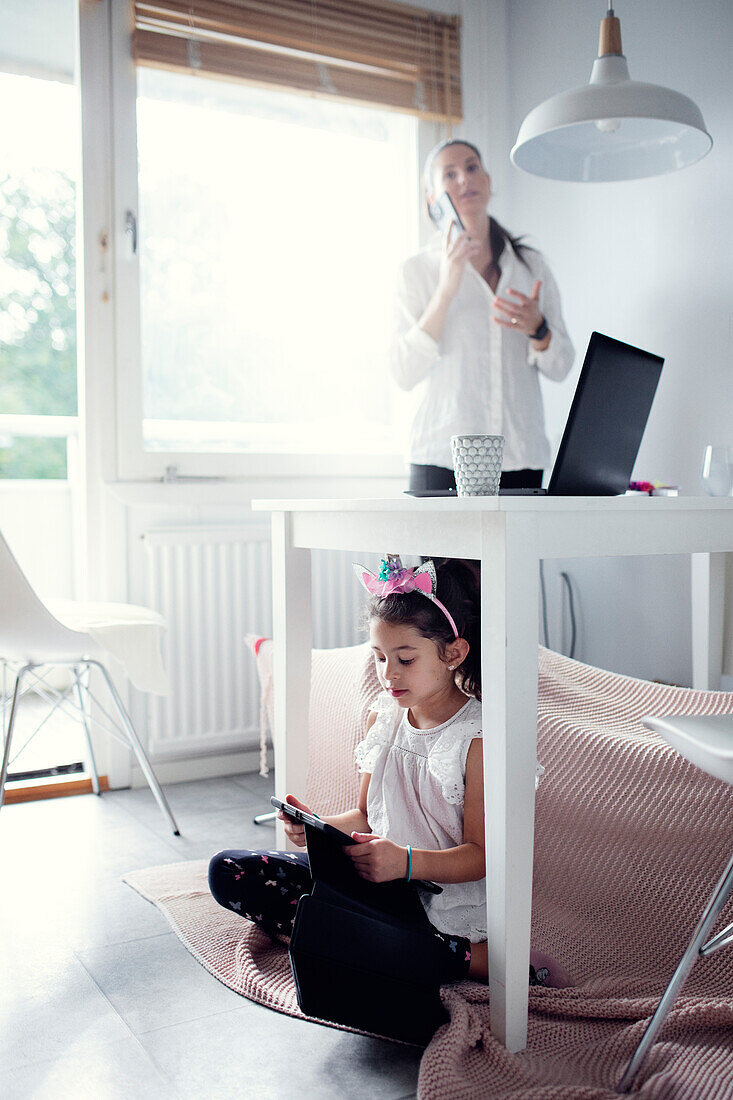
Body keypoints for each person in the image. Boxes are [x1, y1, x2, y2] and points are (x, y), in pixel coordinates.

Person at [208, 555, 568, 989]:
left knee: (349, 934)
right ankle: (353, 939)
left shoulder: (478, 740)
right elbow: (364, 814)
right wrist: (318, 829)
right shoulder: (383, 718)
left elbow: (482, 856)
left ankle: (468, 958)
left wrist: (406, 862)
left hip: (436, 905)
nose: (388, 674)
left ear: (453, 653)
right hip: (375, 884)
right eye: (379, 658)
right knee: (229, 870)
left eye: (405, 659)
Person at [391, 139, 574, 492]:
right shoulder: (416, 272)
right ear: (434, 200)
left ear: (488, 181)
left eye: (472, 167)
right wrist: (446, 289)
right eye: (450, 174)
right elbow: (403, 372)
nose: (464, 179)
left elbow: (562, 365)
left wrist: (539, 330)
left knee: (517, 551)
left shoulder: (531, 267)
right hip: (440, 458)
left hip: (521, 458)